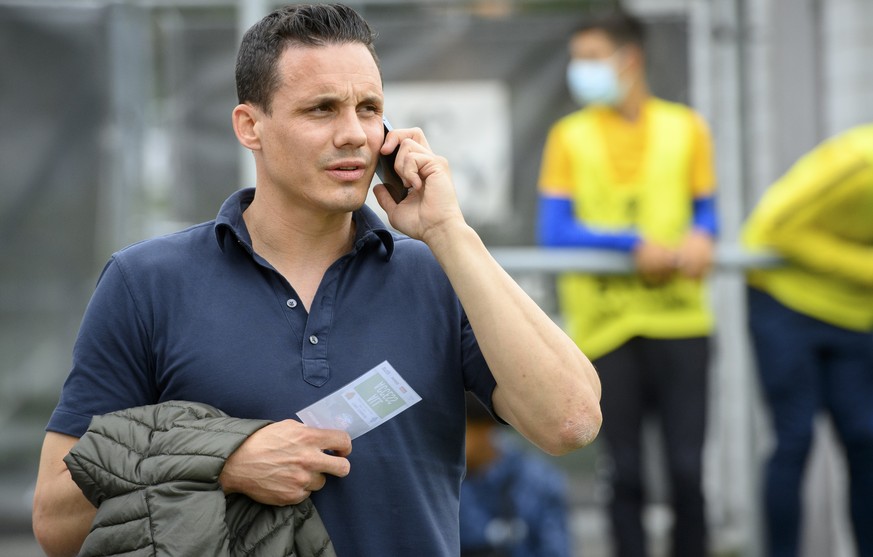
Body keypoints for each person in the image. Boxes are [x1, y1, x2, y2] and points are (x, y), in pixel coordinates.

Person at [31, 4, 602, 557]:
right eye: (322, 109)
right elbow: (56, 524)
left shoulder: (440, 273)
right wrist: (223, 462)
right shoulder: (145, 283)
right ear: (250, 126)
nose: (354, 133)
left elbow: (571, 422)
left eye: (370, 108)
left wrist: (450, 232)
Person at [536, 10, 718, 557]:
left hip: (682, 321)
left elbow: (706, 213)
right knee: (627, 471)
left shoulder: (687, 127)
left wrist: (702, 238)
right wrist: (630, 244)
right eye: (577, 60)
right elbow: (555, 230)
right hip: (605, 328)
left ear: (629, 59)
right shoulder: (568, 136)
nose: (579, 71)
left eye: (590, 59)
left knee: (688, 470)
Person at [742, 124, 873, 557]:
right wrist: (864, 267)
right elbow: (773, 229)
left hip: (854, 313)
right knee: (795, 438)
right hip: (785, 304)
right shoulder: (858, 163)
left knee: (866, 439)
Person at [460, 393, 572, 557]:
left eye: (459, 430)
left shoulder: (537, 480)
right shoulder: (442, 481)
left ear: (485, 427)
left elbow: (555, 548)